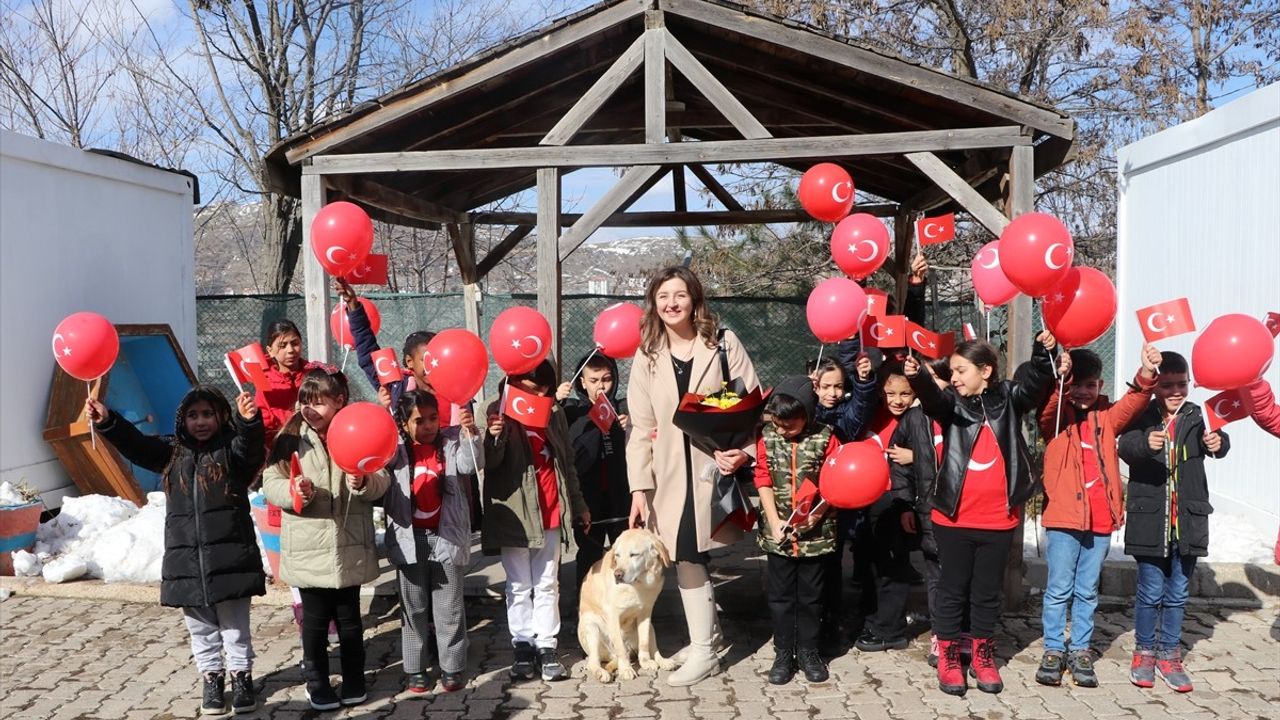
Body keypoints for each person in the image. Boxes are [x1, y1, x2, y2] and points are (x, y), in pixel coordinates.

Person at [87, 387, 266, 716]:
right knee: (200, 628)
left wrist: (248, 422)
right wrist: (109, 421)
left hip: (231, 558)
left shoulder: (231, 450)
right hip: (186, 561)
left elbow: (251, 450)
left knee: (235, 625)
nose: (200, 422)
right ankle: (212, 678)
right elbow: (137, 446)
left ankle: (242, 677)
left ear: (221, 417)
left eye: (208, 414)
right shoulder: (172, 452)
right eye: (193, 415)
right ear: (182, 419)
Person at [904, 333, 1064, 696]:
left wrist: (1043, 351)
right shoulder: (951, 404)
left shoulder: (1009, 397)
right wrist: (918, 377)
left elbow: (1036, 384)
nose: (955, 377)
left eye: (961, 370)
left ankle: (982, 654)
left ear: (986, 370)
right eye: (953, 372)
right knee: (952, 589)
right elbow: (933, 398)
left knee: (986, 592)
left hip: (998, 519)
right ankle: (948, 655)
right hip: (954, 518)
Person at [626, 265, 761, 686]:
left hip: (713, 471)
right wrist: (638, 488)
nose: (671, 303)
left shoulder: (723, 344)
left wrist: (745, 452)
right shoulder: (647, 355)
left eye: (679, 295)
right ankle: (709, 637)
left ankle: (704, 651)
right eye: (663, 296)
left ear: (695, 299)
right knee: (684, 551)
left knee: (688, 551)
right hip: (667, 477)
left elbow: (752, 405)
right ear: (654, 303)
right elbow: (641, 427)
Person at [262, 369, 390, 711]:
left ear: (339, 401)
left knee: (350, 621)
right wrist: (294, 490)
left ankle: (354, 679)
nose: (310, 409)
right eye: (305, 401)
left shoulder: (357, 429)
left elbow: (382, 479)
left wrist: (361, 482)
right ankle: (317, 683)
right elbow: (270, 482)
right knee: (315, 624)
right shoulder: (290, 437)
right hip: (309, 546)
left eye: (318, 401)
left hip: (349, 545)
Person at [1034, 344, 1160, 688]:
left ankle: (1080, 650)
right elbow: (1047, 409)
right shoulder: (1057, 417)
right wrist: (1059, 381)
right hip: (1063, 520)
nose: (1083, 391)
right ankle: (1053, 649)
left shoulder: (1107, 416)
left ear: (1100, 386)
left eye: (1090, 385)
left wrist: (1147, 372)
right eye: (1077, 385)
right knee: (1059, 588)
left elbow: (1135, 401)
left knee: (1087, 590)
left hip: (1101, 519)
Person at [1118, 351, 1229, 693]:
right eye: (1167, 385)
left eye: (1182, 384)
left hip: (1188, 522)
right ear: (1155, 387)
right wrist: (1143, 444)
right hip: (1151, 522)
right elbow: (1124, 446)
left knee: (1178, 593)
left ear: (1190, 383)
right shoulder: (1142, 414)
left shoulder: (1198, 415)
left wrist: (1218, 442)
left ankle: (1170, 653)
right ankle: (1144, 652)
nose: (1176, 391)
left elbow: (1219, 446)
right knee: (1151, 591)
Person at [483, 359, 590, 683]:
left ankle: (546, 647)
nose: (539, 395)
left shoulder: (553, 413)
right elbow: (489, 462)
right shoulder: (496, 410)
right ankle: (522, 646)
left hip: (551, 509)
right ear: (514, 381)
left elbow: (568, 462)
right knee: (518, 585)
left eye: (544, 390)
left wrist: (579, 503)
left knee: (547, 584)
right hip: (516, 514)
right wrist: (494, 436)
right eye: (532, 388)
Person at [383, 389, 482, 694]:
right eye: (418, 420)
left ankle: (452, 666)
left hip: (447, 536)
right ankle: (415, 668)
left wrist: (470, 434)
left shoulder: (451, 440)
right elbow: (377, 470)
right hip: (409, 539)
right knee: (413, 607)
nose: (427, 425)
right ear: (403, 423)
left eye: (432, 418)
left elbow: (469, 465)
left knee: (449, 605)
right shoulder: (396, 450)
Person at [754, 376, 840, 685]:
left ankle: (808, 651)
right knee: (780, 597)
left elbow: (837, 483)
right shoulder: (766, 437)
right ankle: (782, 652)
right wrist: (774, 520)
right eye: (777, 424)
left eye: (789, 426)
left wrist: (816, 516)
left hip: (814, 536)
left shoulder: (826, 437)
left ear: (807, 414)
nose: (782, 431)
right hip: (779, 536)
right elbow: (762, 477)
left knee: (811, 597)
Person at [809, 355, 877, 655]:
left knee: (847, 560)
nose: (832, 393)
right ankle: (817, 621)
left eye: (838, 386)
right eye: (825, 386)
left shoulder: (846, 413)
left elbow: (858, 414)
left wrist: (863, 384)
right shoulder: (806, 411)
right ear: (813, 384)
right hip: (812, 499)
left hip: (846, 500)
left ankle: (848, 619)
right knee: (820, 566)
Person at [887, 357, 950, 666]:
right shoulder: (913, 419)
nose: (933, 386)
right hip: (927, 508)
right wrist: (903, 504)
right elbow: (897, 463)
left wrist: (918, 457)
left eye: (939, 379)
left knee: (961, 574)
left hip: (961, 510)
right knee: (936, 573)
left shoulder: (962, 412)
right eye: (928, 379)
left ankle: (963, 631)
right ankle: (941, 635)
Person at [555, 351, 632, 589]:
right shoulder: (571, 411)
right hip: (587, 497)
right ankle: (586, 609)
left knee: (625, 555)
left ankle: (625, 607)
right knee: (590, 553)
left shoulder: (624, 407)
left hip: (621, 497)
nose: (601, 386)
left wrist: (632, 427)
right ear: (582, 381)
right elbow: (544, 425)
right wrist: (554, 401)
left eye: (607, 379)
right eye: (594, 380)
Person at [253, 319, 326, 451]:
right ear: (270, 350)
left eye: (295, 343)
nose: (290, 350)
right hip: (280, 448)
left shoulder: (314, 373)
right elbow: (264, 419)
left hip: (315, 445)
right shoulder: (261, 376)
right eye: (282, 345)